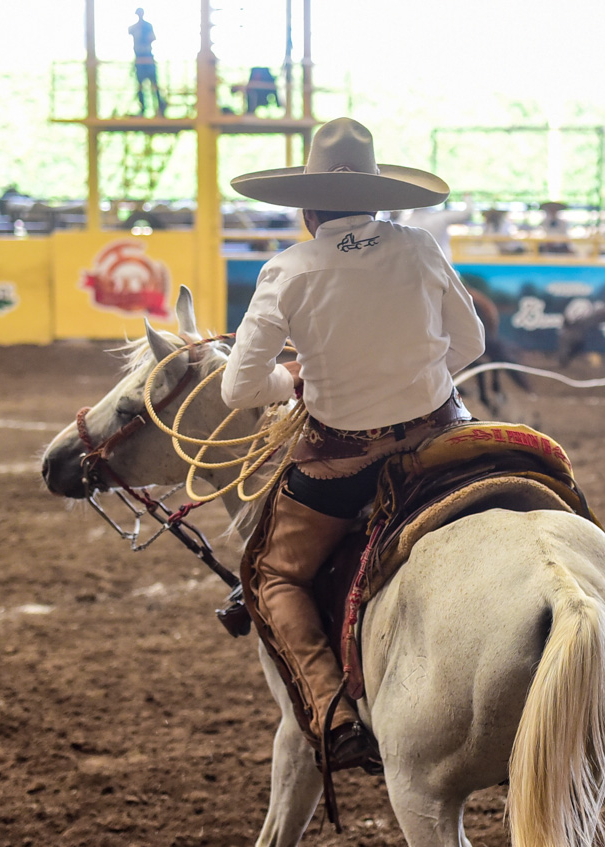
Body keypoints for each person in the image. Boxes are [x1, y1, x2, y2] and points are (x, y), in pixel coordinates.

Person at [221, 117, 486, 772]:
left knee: (272, 573)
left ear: (306, 207)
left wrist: (295, 378)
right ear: (377, 198)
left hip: (343, 463)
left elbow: (240, 388)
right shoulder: (421, 247)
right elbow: (473, 345)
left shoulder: (287, 270)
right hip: (442, 440)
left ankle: (331, 710)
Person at [402, 197, 471, 263]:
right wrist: (467, 197)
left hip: (415, 265)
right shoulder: (439, 217)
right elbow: (467, 213)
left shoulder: (404, 222)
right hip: (440, 265)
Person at [129, 8, 166, 117]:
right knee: (141, 85)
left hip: (146, 58)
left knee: (153, 85)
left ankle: (159, 108)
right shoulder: (136, 27)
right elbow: (130, 31)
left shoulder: (147, 26)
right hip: (140, 58)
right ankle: (145, 109)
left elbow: (152, 38)